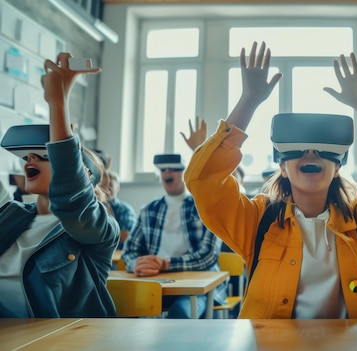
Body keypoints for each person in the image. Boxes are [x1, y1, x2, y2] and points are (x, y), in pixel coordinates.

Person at [184, 41, 357, 319]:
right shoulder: (256, 222)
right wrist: (248, 101)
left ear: (339, 167)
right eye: (299, 150)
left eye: (321, 150)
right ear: (281, 167)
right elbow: (203, 181)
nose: (310, 154)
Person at [0, 52, 119, 318]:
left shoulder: (98, 230)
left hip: (65, 342)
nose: (30, 159)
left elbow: (72, 199)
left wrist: (58, 102)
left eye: (44, 155)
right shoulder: (11, 215)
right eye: (28, 156)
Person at [121, 153, 227, 319]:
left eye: (174, 169)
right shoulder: (148, 210)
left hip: (195, 286)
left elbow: (208, 255)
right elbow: (129, 251)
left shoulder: (204, 208)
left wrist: (167, 264)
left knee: (180, 314)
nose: (167, 173)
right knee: (118, 307)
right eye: (163, 169)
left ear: (185, 172)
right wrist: (137, 264)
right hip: (156, 283)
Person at [101, 169, 136, 248]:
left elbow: (124, 236)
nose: (106, 189)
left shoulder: (125, 209)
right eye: (102, 186)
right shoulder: (95, 207)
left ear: (118, 188)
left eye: (110, 185)